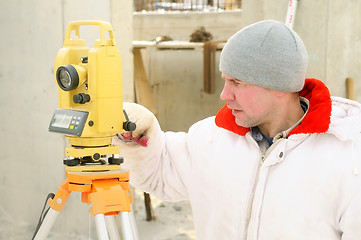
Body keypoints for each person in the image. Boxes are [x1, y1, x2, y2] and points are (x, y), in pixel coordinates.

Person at [113, 20, 361, 240]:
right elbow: (159, 174)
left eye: (237, 83)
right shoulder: (211, 137)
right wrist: (141, 136)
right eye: (225, 79)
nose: (224, 94)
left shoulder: (347, 157)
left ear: (281, 87)